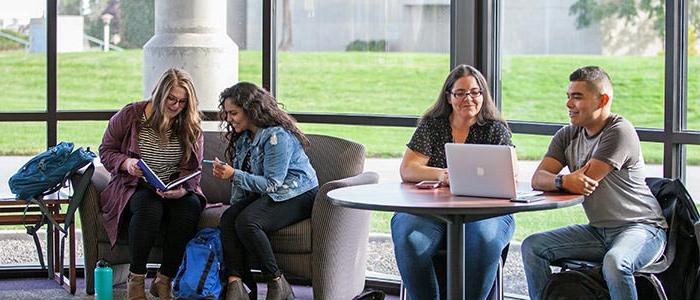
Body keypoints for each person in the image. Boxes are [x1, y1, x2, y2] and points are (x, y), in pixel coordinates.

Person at [521, 66, 668, 300]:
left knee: (615, 262)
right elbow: (538, 178)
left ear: (603, 100)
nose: (569, 104)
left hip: (642, 228)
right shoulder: (567, 135)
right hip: (599, 231)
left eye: (577, 97)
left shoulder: (619, 131)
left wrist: (559, 180)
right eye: (568, 96)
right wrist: (564, 180)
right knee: (532, 247)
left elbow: (586, 181)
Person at [391, 64, 516, 300]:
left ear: (483, 95)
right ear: (449, 96)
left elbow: (512, 173)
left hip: (487, 213)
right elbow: (408, 169)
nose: (468, 98)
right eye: (460, 93)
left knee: (481, 239)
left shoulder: (495, 130)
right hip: (430, 210)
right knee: (410, 238)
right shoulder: (432, 126)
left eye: (475, 92)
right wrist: (442, 174)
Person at [99, 68, 205, 300]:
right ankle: (136, 280)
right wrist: (126, 163)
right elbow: (106, 151)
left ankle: (164, 279)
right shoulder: (131, 115)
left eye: (182, 101)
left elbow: (194, 170)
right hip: (136, 185)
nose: (176, 106)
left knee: (190, 208)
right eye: (172, 99)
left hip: (172, 187)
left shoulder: (189, 124)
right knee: (149, 208)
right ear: (159, 95)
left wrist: (183, 190)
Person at [212, 82, 319, 300]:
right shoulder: (243, 138)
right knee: (229, 219)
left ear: (251, 110)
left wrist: (233, 174)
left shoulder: (276, 136)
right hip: (271, 193)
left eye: (234, 113)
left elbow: (272, 183)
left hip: (297, 193)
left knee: (248, 222)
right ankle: (238, 285)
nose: (229, 119)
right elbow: (244, 185)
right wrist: (235, 202)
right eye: (227, 113)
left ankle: (277, 282)